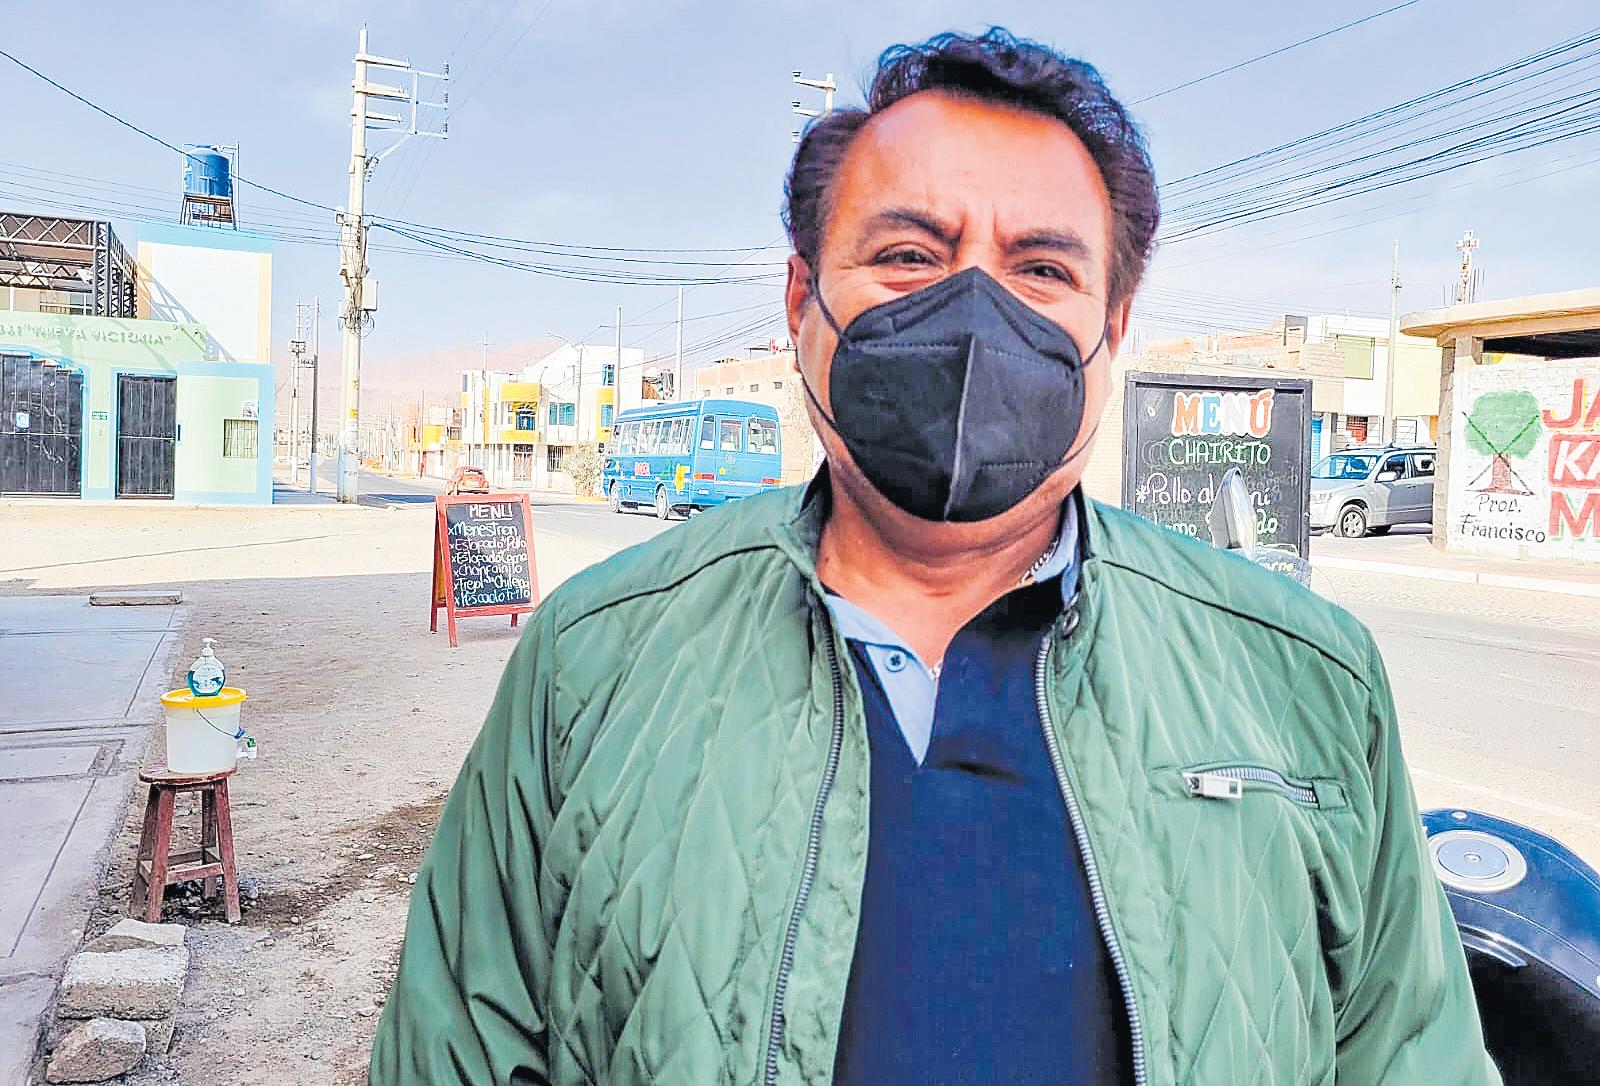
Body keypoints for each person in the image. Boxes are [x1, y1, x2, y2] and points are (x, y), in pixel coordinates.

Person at [372, 27, 1498, 1085]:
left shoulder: (1304, 676)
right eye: (909, 255)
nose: (973, 314)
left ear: (1112, 329)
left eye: (1043, 271)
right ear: (802, 301)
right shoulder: (595, 660)